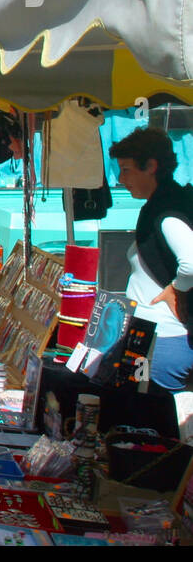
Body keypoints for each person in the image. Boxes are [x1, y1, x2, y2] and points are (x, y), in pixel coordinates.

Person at [111, 128, 193, 391]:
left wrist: (176, 288)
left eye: (126, 170)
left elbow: (191, 261)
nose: (121, 179)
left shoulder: (166, 211)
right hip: (154, 339)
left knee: (150, 420)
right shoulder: (168, 202)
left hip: (162, 341)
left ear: (151, 167)